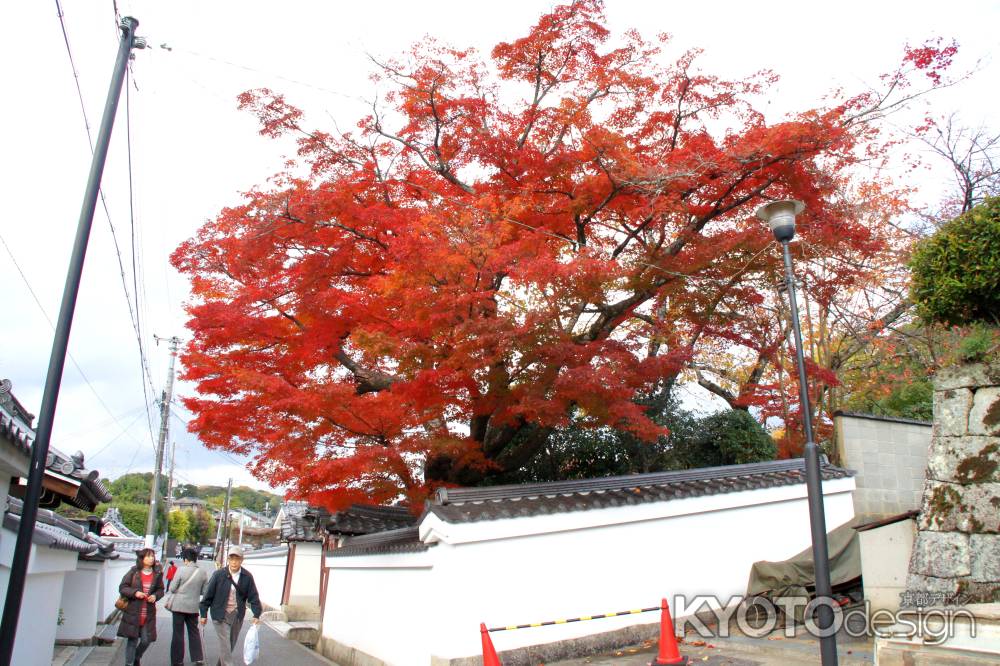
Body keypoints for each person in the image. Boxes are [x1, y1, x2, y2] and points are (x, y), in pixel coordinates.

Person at [200, 546, 262, 666]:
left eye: (237, 559)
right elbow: (208, 595)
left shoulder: (247, 576)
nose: (234, 562)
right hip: (220, 614)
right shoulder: (219, 575)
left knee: (230, 644)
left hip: (237, 616)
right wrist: (203, 613)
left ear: (242, 560)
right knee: (225, 644)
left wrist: (256, 614)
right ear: (228, 560)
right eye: (231, 558)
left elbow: (253, 596)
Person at [117, 548, 165, 666]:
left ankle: (136, 657)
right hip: (133, 611)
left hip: (148, 613)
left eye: (152, 556)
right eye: (148, 556)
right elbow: (123, 587)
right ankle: (129, 663)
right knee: (132, 640)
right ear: (142, 558)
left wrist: (155, 596)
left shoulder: (157, 573)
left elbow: (161, 590)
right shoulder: (134, 572)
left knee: (146, 640)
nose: (151, 559)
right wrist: (135, 593)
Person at [166, 548, 207, 666]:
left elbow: (172, 588)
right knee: (194, 632)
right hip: (193, 607)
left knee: (178, 633)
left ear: (185, 559)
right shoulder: (202, 572)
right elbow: (204, 591)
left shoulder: (180, 570)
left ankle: (178, 661)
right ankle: (198, 658)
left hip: (178, 606)